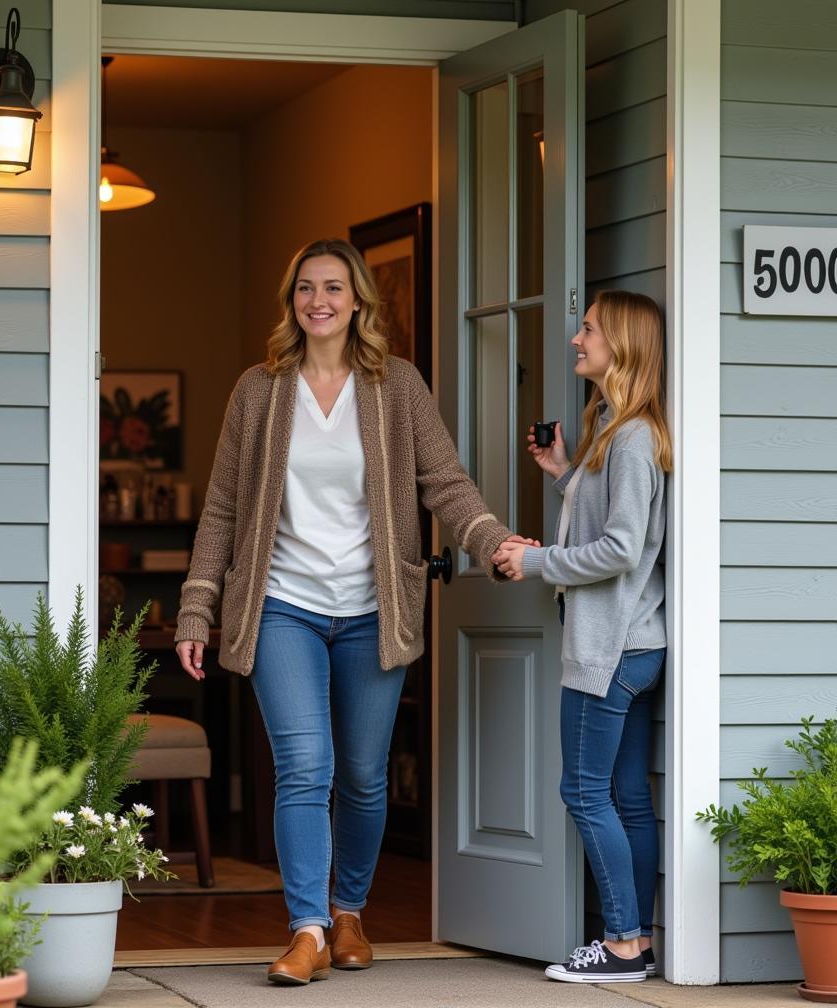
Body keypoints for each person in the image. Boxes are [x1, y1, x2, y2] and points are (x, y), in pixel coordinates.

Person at [175, 238, 535, 986]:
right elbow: (221, 511)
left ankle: (349, 914)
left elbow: (446, 484)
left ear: (359, 301)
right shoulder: (259, 390)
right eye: (305, 289)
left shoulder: (396, 386)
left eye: (333, 288)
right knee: (305, 767)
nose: (319, 301)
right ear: (292, 303)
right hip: (283, 607)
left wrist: (496, 542)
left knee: (365, 778)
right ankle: (305, 929)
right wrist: (196, 608)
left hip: (375, 611)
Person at [495, 290, 672, 985]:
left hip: (611, 648)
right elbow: (612, 525)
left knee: (583, 791)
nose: (576, 338)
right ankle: (638, 940)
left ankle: (623, 942)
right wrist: (565, 474)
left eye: (589, 329)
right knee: (627, 795)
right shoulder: (622, 430)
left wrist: (534, 561)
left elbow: (623, 548)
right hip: (636, 643)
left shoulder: (629, 439)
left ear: (621, 344)